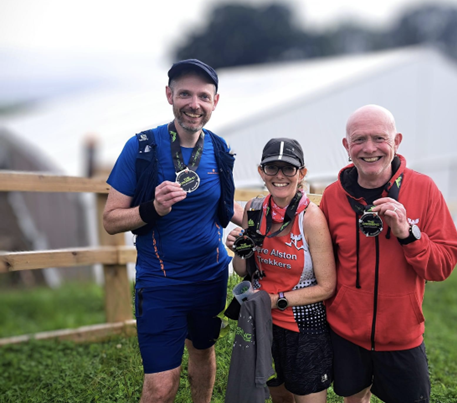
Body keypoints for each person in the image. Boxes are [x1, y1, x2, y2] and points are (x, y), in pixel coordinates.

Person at [103, 59, 243, 403]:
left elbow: (228, 208)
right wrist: (153, 208)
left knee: (203, 353)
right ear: (169, 95)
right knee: (161, 385)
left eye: (203, 96)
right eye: (185, 94)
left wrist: (286, 218)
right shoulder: (141, 148)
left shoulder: (220, 149)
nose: (194, 104)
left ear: (215, 101)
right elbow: (110, 220)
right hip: (161, 283)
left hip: (210, 278)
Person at [319, 105, 457, 403]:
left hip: (402, 334)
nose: (369, 148)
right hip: (346, 331)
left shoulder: (424, 189)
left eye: (379, 138)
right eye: (359, 140)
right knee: (354, 398)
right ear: (347, 146)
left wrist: (408, 234)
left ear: (396, 141)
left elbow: (443, 266)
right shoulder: (333, 196)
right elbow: (322, 260)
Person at [225, 138, 336, 403]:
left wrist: (277, 300)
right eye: (272, 168)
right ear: (261, 172)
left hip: (304, 327)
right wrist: (240, 251)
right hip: (264, 323)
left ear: (302, 173)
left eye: (289, 169)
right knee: (280, 398)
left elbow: (327, 286)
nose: (280, 176)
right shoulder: (253, 210)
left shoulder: (310, 218)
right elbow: (243, 271)